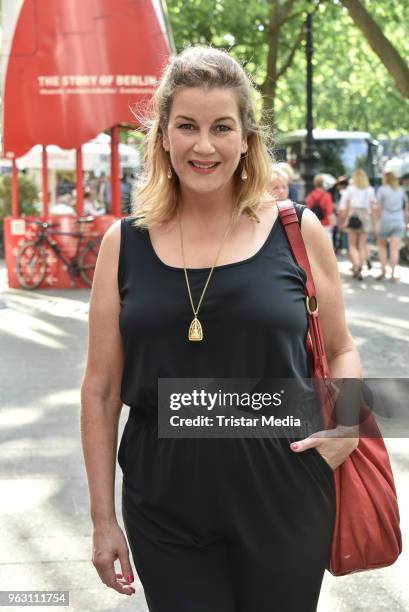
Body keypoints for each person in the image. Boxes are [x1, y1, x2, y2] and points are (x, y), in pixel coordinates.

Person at [80, 45, 360, 612]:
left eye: (221, 127)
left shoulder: (297, 232)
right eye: (186, 126)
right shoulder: (123, 244)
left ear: (246, 138)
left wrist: (349, 421)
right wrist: (102, 519)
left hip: (285, 490)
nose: (203, 145)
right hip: (164, 502)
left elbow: (341, 347)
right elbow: (101, 389)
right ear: (162, 135)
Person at [338, 169, 376, 281]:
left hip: (353, 217)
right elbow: (373, 206)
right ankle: (360, 266)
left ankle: (356, 265)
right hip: (365, 217)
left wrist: (342, 221)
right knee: (362, 245)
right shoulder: (370, 190)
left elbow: (344, 207)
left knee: (352, 245)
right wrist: (374, 223)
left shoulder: (350, 189)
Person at [374, 170, 409, 282]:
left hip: (385, 220)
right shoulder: (401, 190)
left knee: (382, 247)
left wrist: (376, 222)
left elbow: (378, 208)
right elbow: (406, 209)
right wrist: (406, 222)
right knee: (395, 249)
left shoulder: (382, 190)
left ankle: (383, 271)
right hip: (398, 221)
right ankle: (393, 275)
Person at [305, 175, 336, 243]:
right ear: (323, 183)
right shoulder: (327, 196)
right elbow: (329, 212)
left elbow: (307, 211)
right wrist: (333, 224)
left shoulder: (310, 196)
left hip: (313, 224)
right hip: (325, 224)